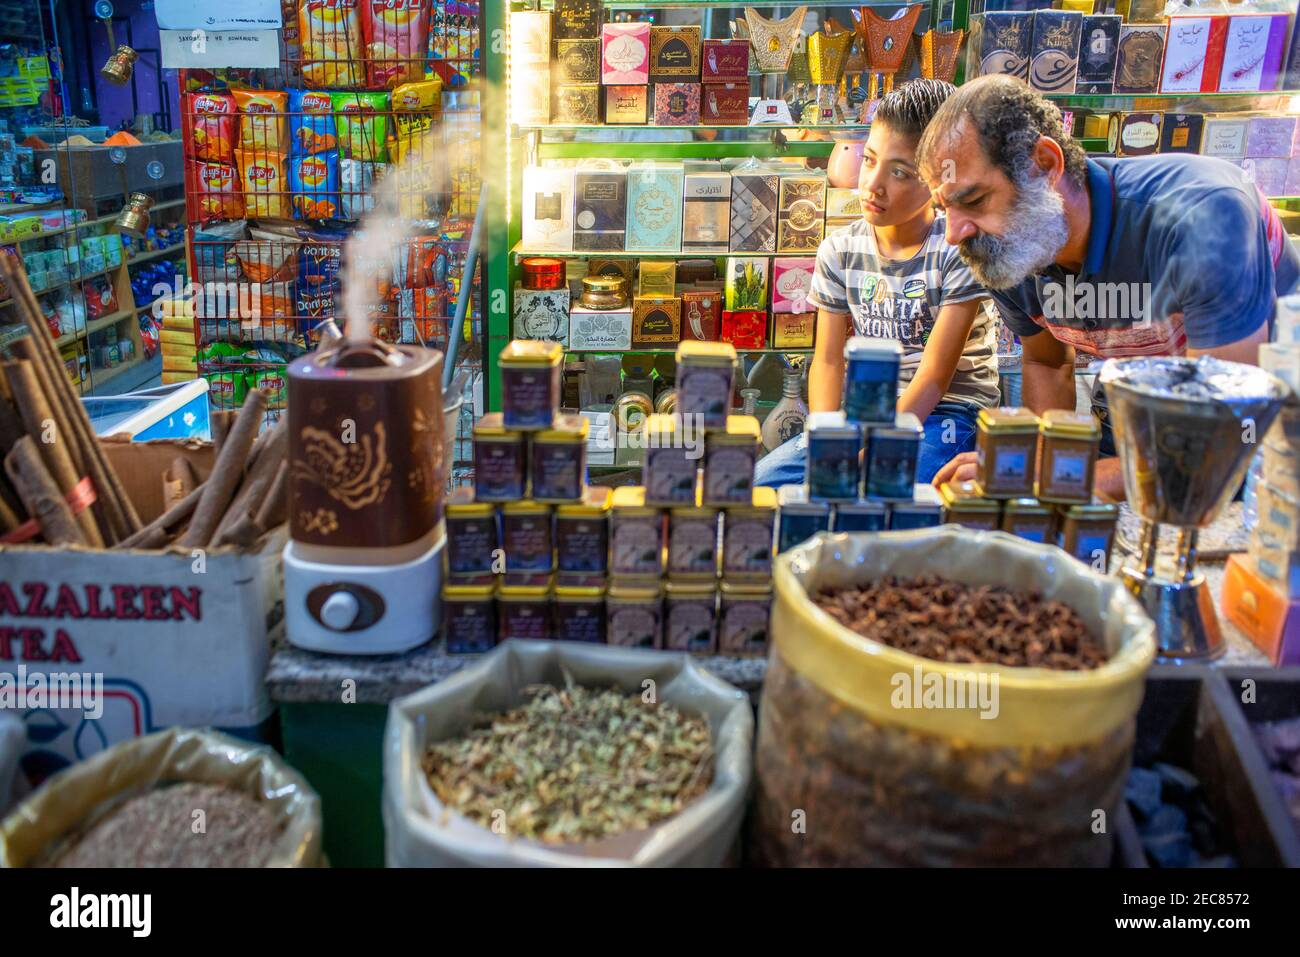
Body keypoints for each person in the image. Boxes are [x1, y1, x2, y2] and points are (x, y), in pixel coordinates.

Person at [918, 75, 1300, 496]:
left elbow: (1222, 434)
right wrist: (1042, 464)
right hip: (1146, 417)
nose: (953, 233)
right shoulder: (1010, 247)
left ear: (1045, 164)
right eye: (944, 208)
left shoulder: (1202, 217)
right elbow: (1047, 363)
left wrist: (1044, 480)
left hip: (1270, 437)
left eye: (972, 201)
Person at [754, 78, 998, 487]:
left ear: (939, 179)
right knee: (762, 486)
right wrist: (828, 438)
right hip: (865, 407)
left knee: (876, 491)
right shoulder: (840, 249)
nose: (873, 184)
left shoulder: (958, 249)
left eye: (900, 172)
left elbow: (935, 377)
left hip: (949, 413)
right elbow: (829, 361)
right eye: (869, 160)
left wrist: (878, 447)